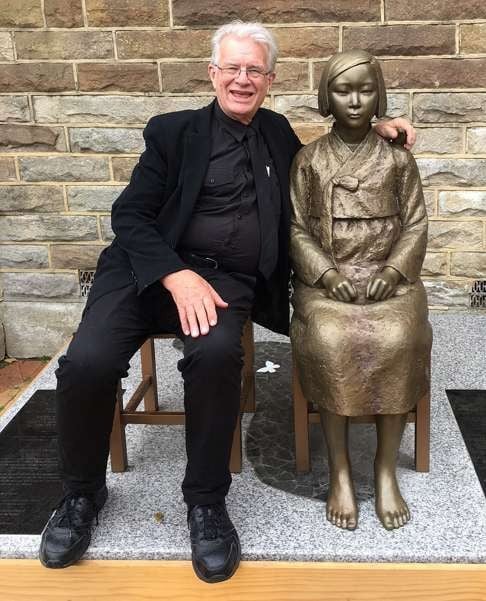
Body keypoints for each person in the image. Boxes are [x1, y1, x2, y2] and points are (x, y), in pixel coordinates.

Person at [39, 23, 415, 582]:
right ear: (213, 73)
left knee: (216, 359)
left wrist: (378, 126)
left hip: (225, 283)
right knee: (87, 363)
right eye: (232, 68)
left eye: (255, 71)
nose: (243, 79)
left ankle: (207, 503)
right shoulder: (172, 133)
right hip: (147, 271)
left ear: (270, 80)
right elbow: (129, 217)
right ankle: (81, 494)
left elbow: (332, 150)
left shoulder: (278, 134)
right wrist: (174, 273)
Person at [290, 50, 432, 532]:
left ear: (381, 96)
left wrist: (392, 273)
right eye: (343, 90)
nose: (354, 101)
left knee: (398, 340)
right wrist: (327, 275)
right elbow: (295, 228)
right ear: (326, 97)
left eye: (365, 90)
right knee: (332, 343)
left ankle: (385, 470)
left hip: (389, 280)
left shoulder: (396, 159)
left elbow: (415, 224)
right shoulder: (308, 161)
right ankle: (341, 472)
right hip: (327, 281)